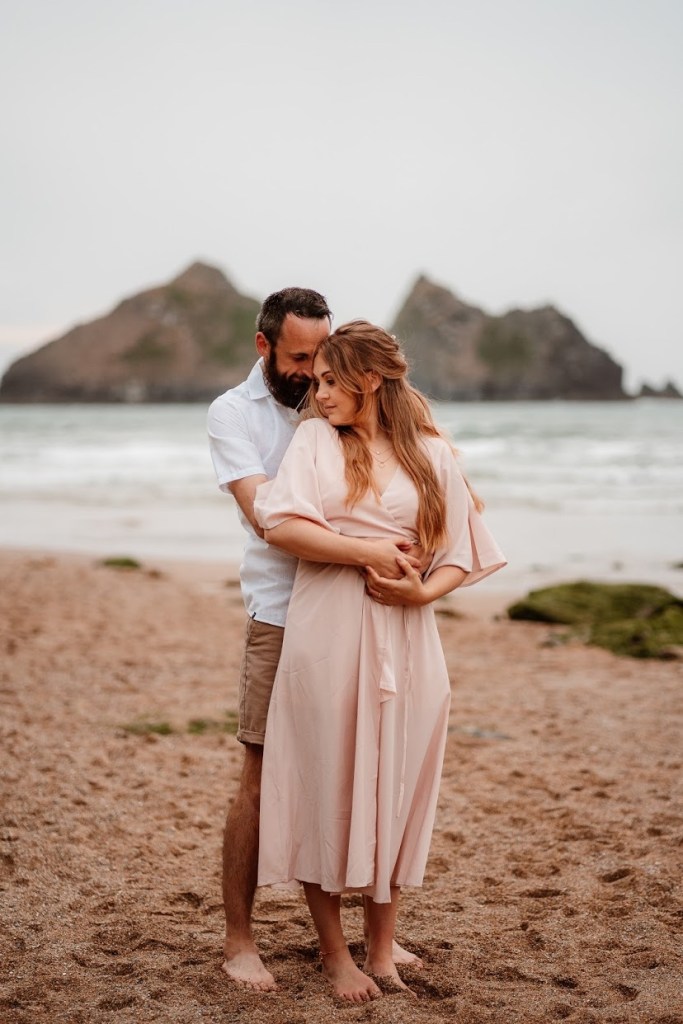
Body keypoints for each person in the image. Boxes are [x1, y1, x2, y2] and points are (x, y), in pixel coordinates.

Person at [254, 320, 506, 1002]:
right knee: (323, 780)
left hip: (408, 635)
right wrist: (369, 552)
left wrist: (419, 588)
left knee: (394, 786)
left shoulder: (427, 451)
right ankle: (336, 953)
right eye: (317, 378)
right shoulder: (313, 441)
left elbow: (464, 549)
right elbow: (281, 526)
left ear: (369, 380)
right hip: (327, 629)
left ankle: (385, 946)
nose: (318, 389)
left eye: (332, 380)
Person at [207, 293, 429, 991]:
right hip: (281, 614)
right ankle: (240, 939)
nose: (312, 372)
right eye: (300, 358)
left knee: (363, 768)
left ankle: (377, 942)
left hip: (363, 615)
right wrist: (370, 550)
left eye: (323, 357)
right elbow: (266, 519)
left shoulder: (334, 399)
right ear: (263, 346)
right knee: (261, 775)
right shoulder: (233, 416)